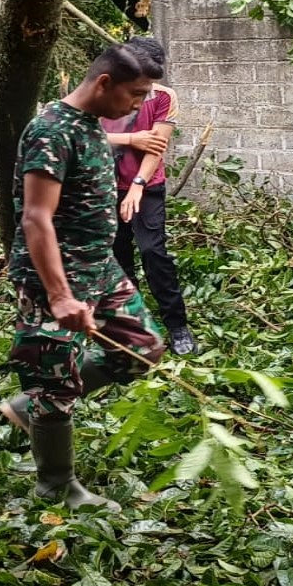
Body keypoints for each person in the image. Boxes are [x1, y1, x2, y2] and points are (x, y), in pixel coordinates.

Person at [0, 43, 168, 509]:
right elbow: (36, 218)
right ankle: (55, 485)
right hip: (57, 277)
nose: (139, 104)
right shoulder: (50, 131)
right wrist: (58, 296)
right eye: (135, 94)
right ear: (104, 83)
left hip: (100, 268)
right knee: (54, 385)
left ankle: (26, 409)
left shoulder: (92, 125)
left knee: (143, 350)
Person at [102, 37, 197, 356]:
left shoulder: (163, 96)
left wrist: (139, 184)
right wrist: (131, 138)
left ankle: (177, 325)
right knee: (117, 255)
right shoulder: (105, 89)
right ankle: (134, 325)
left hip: (146, 186)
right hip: (105, 186)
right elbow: (86, 133)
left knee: (153, 252)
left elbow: (156, 146)